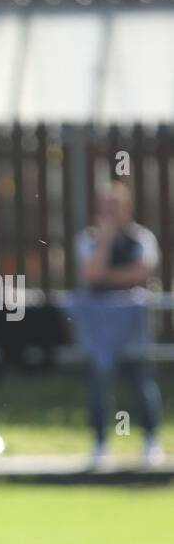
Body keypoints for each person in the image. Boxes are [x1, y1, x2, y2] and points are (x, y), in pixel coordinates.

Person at [72, 182, 162, 466]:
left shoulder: (142, 238)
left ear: (127, 208)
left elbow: (141, 273)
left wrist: (105, 277)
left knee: (141, 380)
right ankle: (100, 444)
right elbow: (91, 273)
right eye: (104, 206)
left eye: (115, 206)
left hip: (133, 321)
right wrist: (107, 241)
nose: (109, 212)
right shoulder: (88, 239)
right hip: (99, 324)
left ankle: (150, 442)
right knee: (99, 382)